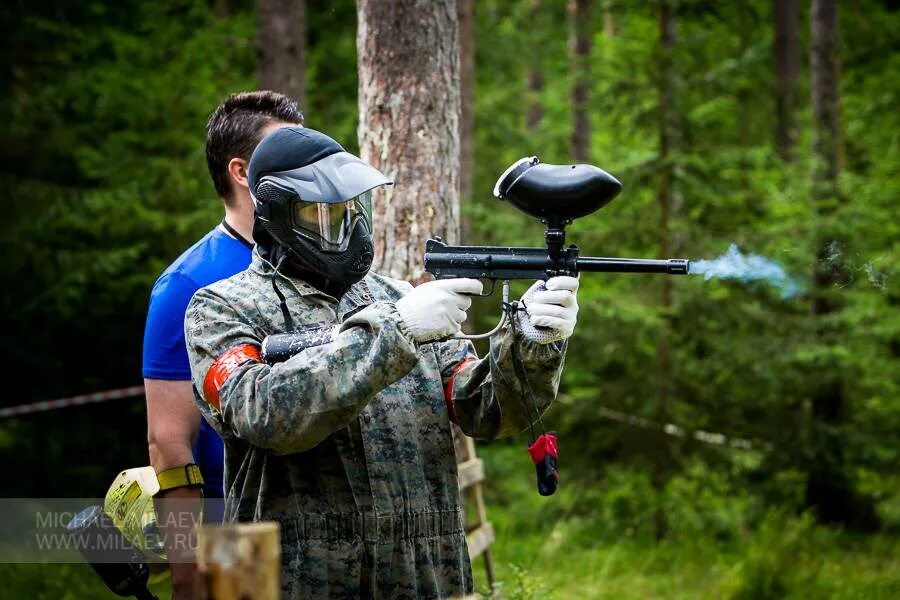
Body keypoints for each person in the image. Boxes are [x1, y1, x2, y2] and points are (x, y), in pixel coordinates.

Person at [184, 126, 580, 598]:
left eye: (354, 208)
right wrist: (397, 330)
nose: (348, 224)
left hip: (422, 571)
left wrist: (533, 341)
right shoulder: (220, 309)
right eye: (324, 212)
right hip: (294, 576)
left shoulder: (398, 298)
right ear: (278, 214)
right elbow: (264, 414)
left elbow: (487, 410)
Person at [142, 91, 303, 598]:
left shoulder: (318, 260)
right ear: (241, 171)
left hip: (322, 523)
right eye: (286, 152)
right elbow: (168, 441)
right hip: (235, 529)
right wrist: (189, 571)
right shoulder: (186, 284)